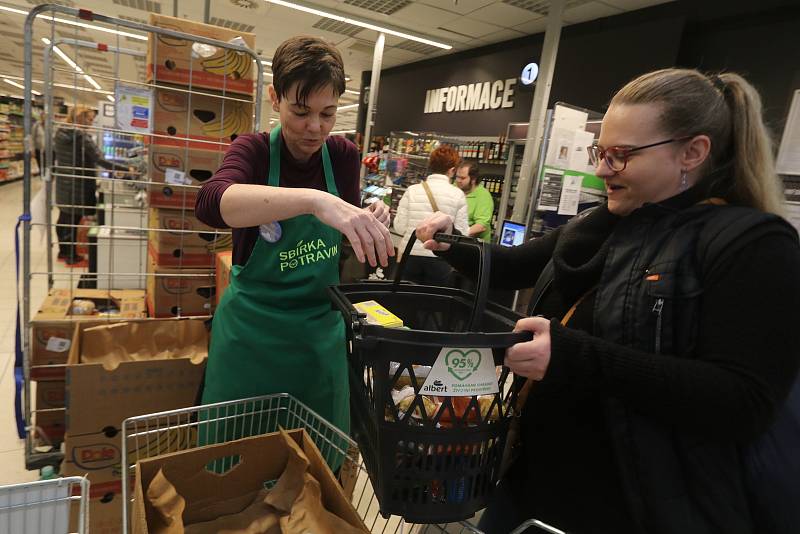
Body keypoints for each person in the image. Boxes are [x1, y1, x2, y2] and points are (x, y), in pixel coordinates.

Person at [415, 68, 800, 534]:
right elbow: (516, 264)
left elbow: (742, 402)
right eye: (602, 152)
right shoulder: (601, 225)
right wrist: (451, 243)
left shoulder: (753, 245)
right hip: (531, 484)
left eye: (621, 156)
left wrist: (572, 354)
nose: (600, 169)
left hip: (634, 506)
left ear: (692, 153)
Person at [195, 36, 392, 437]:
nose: (315, 127)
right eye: (301, 111)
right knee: (235, 459)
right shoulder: (253, 151)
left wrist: (367, 219)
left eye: (328, 113)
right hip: (250, 338)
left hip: (316, 338)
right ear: (275, 98)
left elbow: (342, 240)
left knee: (316, 461)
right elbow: (211, 202)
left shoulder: (343, 156)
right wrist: (313, 201)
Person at [53, 106, 127, 266]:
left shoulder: (60, 133)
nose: (91, 122)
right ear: (80, 118)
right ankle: (72, 257)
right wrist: (125, 169)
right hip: (78, 183)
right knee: (73, 220)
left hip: (64, 181)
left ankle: (63, 252)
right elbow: (98, 158)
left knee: (64, 217)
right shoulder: (80, 136)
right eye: (89, 119)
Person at [393, 145, 468, 286]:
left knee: (404, 302)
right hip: (440, 259)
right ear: (452, 170)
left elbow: (400, 227)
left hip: (410, 255)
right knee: (433, 304)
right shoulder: (458, 195)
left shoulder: (412, 190)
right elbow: (462, 233)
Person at [455, 161, 494, 241]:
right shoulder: (454, 188)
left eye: (462, 178)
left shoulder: (483, 196)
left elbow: (481, 226)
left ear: (473, 179)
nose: (458, 180)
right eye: (457, 177)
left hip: (472, 244)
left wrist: (459, 236)